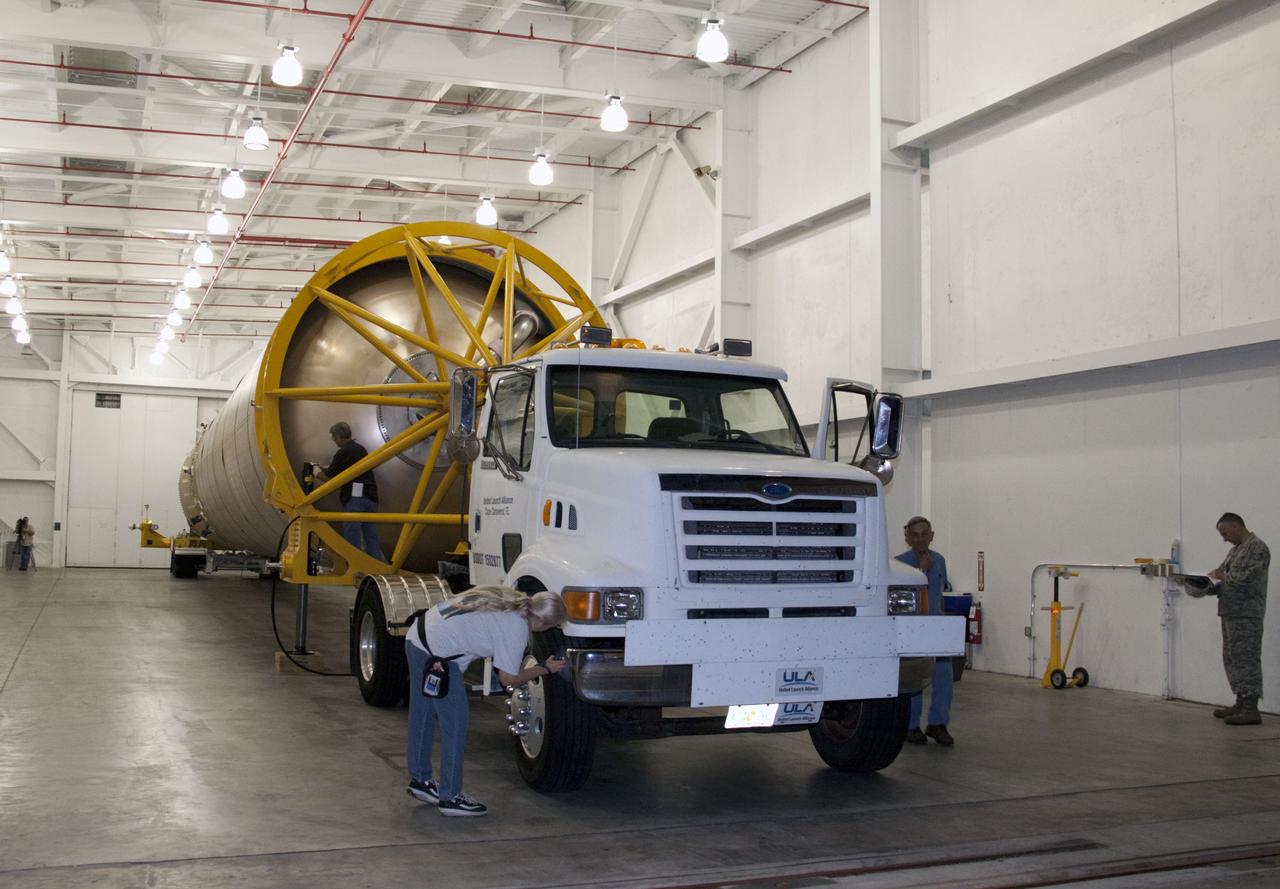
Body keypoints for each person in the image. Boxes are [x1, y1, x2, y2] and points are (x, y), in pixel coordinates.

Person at [404, 586, 567, 816]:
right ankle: (450, 797)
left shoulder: (510, 598)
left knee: (422, 714)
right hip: (437, 655)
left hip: (417, 638)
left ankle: (420, 780)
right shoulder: (517, 627)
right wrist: (544, 669)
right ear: (541, 621)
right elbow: (508, 679)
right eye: (552, 626)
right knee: (455, 724)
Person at [1206, 513, 1270, 725]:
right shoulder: (1235, 551)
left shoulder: (1258, 548)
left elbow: (1248, 578)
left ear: (1235, 526)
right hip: (1230, 612)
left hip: (1247, 615)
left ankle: (1251, 708)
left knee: (1247, 659)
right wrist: (1203, 586)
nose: (1224, 539)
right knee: (1232, 658)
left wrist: (1223, 576)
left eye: (1225, 533)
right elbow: (1223, 578)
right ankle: (1241, 702)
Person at [898, 516, 955, 746]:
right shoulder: (899, 564)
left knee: (943, 675)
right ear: (907, 538)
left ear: (932, 536)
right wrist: (920, 570)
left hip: (936, 625)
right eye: (915, 535)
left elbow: (940, 593)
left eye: (924, 534)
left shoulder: (939, 560)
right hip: (912, 627)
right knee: (914, 677)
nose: (920, 539)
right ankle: (911, 725)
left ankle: (938, 723)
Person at [314, 421, 386, 562]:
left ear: (338, 436)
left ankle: (355, 568)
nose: (334, 441)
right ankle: (377, 567)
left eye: (334, 438)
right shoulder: (360, 449)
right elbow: (348, 468)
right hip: (371, 498)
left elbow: (328, 477)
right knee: (371, 537)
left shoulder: (343, 452)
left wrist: (316, 472)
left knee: (352, 538)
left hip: (355, 500)